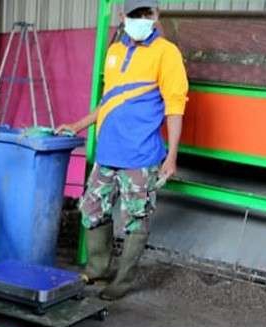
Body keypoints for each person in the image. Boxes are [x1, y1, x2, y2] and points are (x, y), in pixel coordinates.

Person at [57, 0, 187, 300]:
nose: (142, 19)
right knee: (92, 208)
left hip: (140, 156)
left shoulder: (167, 53)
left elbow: (175, 107)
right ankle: (99, 268)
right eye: (135, 14)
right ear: (122, 16)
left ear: (157, 15)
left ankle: (123, 281)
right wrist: (77, 124)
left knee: (135, 218)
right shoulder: (114, 52)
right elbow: (109, 102)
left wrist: (172, 156)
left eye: (148, 14)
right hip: (108, 152)